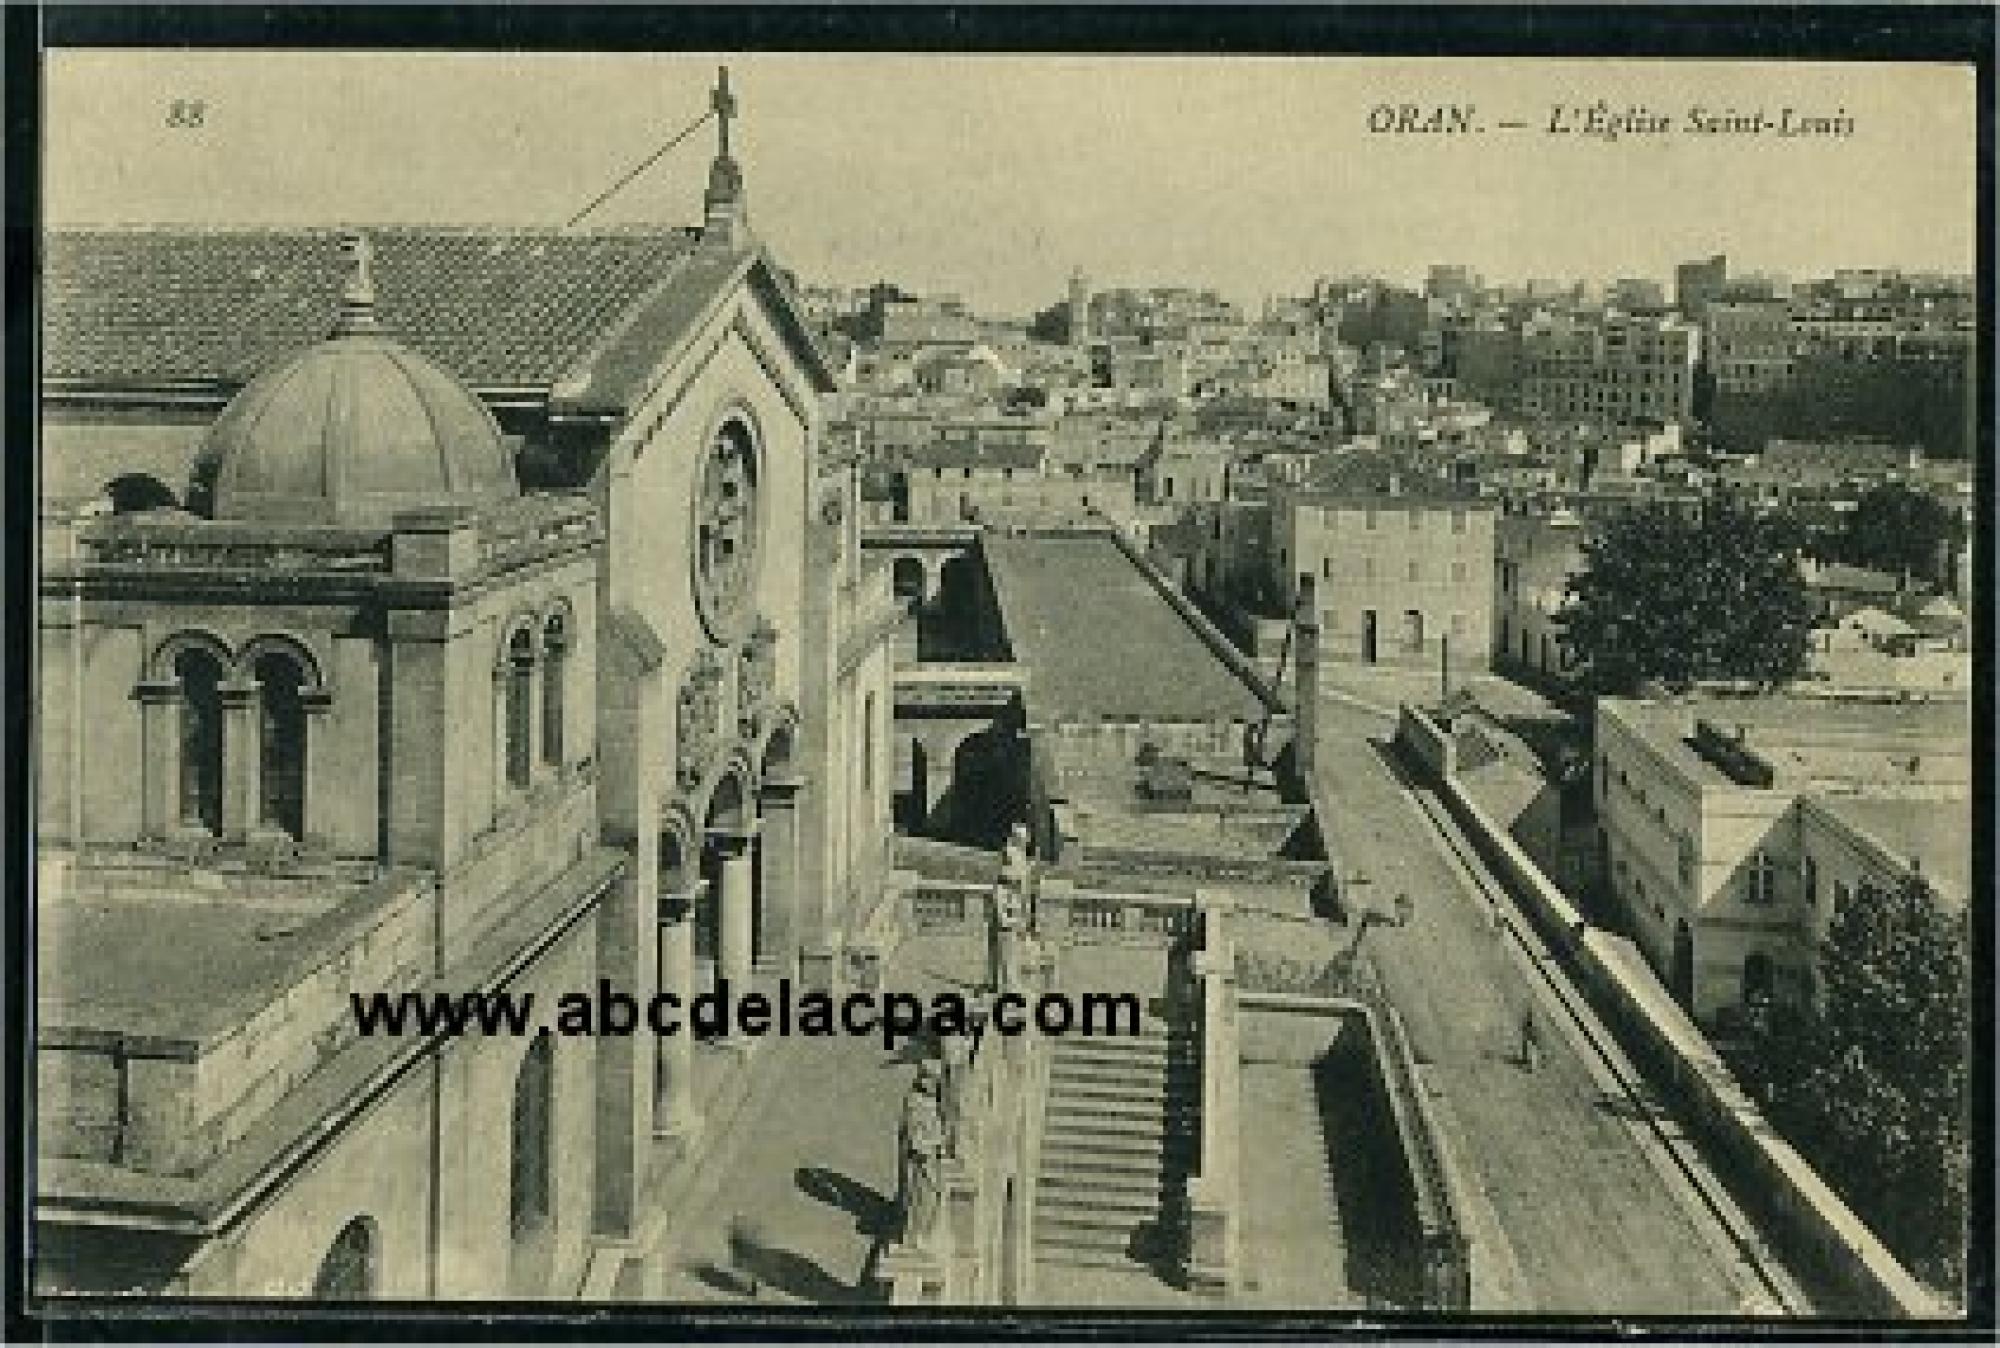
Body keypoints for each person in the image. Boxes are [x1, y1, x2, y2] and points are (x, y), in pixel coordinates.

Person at [897, 1061, 947, 1249]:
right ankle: (915, 1238)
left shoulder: (930, 1101)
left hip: (930, 1159)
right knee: (920, 1201)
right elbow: (916, 1140)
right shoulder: (916, 1103)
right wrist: (935, 1143)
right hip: (922, 1162)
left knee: (930, 1200)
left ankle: (922, 1235)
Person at [1519, 1002, 1542, 1072]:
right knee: (1529, 1050)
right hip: (1529, 1038)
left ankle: (1528, 1062)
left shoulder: (1528, 1026)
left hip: (1529, 1038)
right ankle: (1528, 1061)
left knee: (1528, 1050)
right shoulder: (1528, 1026)